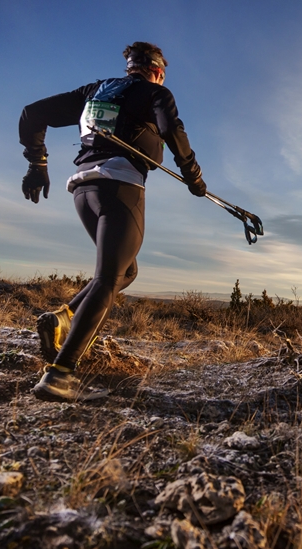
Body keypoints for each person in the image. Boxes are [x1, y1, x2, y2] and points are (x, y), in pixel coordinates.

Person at [18, 41, 207, 402]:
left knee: (126, 271)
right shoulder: (156, 93)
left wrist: (37, 164)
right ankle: (60, 375)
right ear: (158, 72)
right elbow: (171, 129)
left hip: (83, 190)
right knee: (108, 277)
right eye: (162, 76)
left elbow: (31, 113)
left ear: (130, 67)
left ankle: (62, 318)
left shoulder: (94, 91)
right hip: (120, 187)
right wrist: (194, 177)